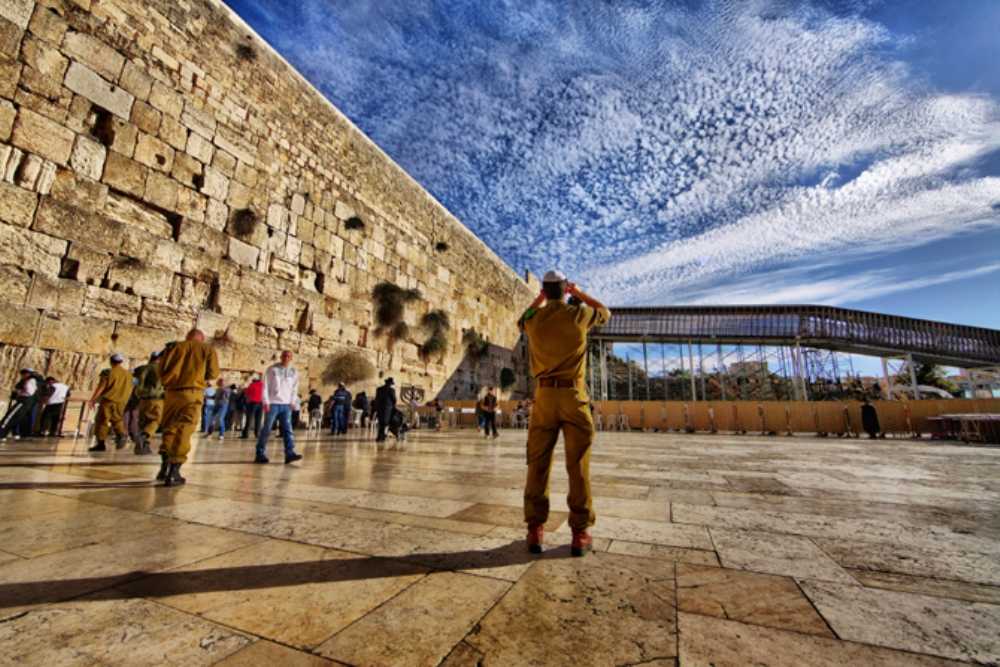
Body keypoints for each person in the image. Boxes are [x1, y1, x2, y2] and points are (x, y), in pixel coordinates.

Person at [519, 271, 610, 557]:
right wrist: (579, 291)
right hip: (574, 397)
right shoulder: (579, 314)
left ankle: (535, 529)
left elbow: (522, 319)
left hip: (544, 397)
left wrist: (540, 299)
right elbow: (605, 311)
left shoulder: (533, 320)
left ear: (546, 291)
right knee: (578, 466)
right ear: (565, 289)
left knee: (537, 464)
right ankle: (580, 534)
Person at [157, 329, 220, 486]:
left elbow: (160, 369)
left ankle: (163, 467)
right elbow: (213, 374)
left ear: (187, 337)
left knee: (169, 428)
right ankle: (174, 471)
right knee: (185, 429)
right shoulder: (207, 349)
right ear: (202, 338)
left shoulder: (172, 347)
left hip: (172, 393)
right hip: (192, 393)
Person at [254, 350, 303, 464]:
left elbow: (294, 388)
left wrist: (292, 402)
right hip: (273, 403)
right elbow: (265, 386)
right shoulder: (272, 369)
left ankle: (289, 453)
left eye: (289, 356)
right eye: (284, 355)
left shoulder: (294, 371)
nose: (286, 358)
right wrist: (265, 401)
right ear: (281, 357)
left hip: (286, 405)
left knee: (287, 429)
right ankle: (260, 453)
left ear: (291, 358)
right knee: (267, 428)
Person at [88, 353, 132, 452]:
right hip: (122, 401)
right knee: (117, 419)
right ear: (121, 362)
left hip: (108, 400)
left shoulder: (108, 372)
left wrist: (93, 399)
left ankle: (100, 443)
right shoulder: (128, 374)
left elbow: (101, 387)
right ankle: (121, 434)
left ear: (111, 361)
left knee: (102, 421)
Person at [133, 352, 164, 455]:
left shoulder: (139, 369)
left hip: (142, 399)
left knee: (143, 422)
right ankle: (144, 436)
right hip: (156, 399)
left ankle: (143, 447)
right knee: (156, 420)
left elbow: (134, 382)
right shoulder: (161, 369)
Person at [0, 369, 41, 440]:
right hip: (28, 402)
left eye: (23, 374)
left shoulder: (30, 381)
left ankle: (1, 434)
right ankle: (16, 433)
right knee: (17, 418)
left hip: (24, 400)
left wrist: (19, 391)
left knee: (10, 417)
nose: (22, 376)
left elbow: (29, 392)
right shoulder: (34, 381)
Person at [373, 377, 397, 442]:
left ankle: (379, 436)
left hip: (380, 407)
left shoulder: (379, 389)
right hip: (387, 408)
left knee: (380, 422)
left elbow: (376, 398)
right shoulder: (391, 390)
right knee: (385, 422)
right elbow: (394, 399)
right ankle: (382, 436)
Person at [241, 373, 264, 439]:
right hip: (261, 403)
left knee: (249, 419)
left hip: (253, 403)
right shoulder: (263, 385)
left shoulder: (252, 385)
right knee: (258, 420)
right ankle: (257, 434)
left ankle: (246, 434)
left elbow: (247, 393)